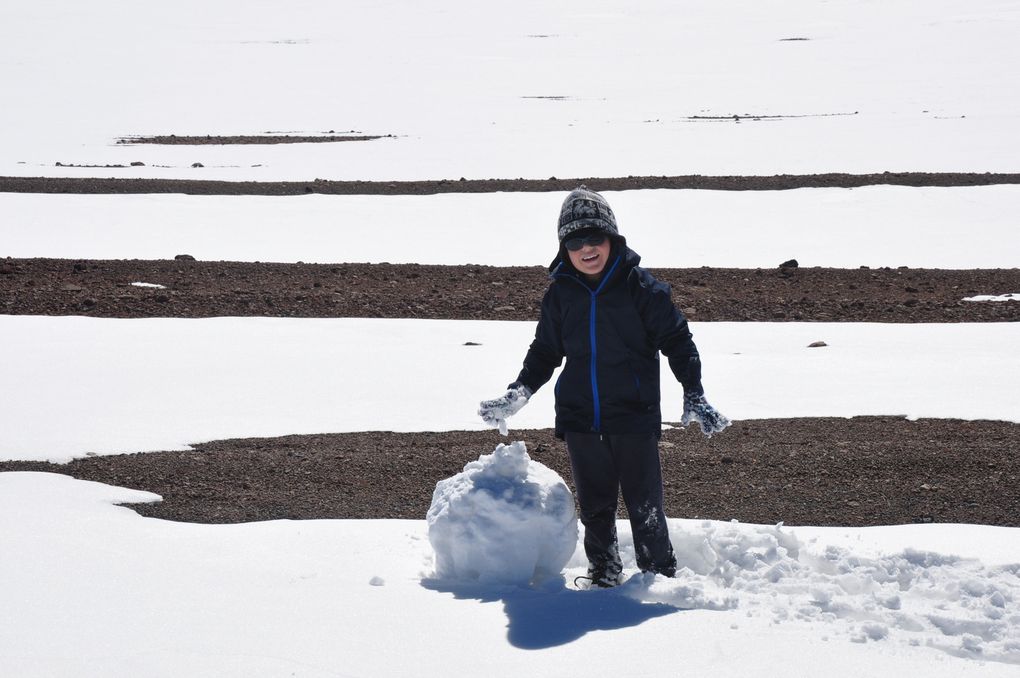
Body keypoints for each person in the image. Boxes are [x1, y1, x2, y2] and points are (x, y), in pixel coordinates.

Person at [478, 185, 730, 588]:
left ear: (611, 238)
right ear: (565, 248)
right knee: (595, 507)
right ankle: (604, 574)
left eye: (594, 237)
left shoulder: (643, 290)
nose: (586, 248)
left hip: (633, 415)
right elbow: (545, 350)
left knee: (645, 506)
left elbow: (679, 342)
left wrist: (694, 392)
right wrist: (520, 392)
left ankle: (659, 577)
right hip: (580, 418)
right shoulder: (560, 294)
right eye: (575, 241)